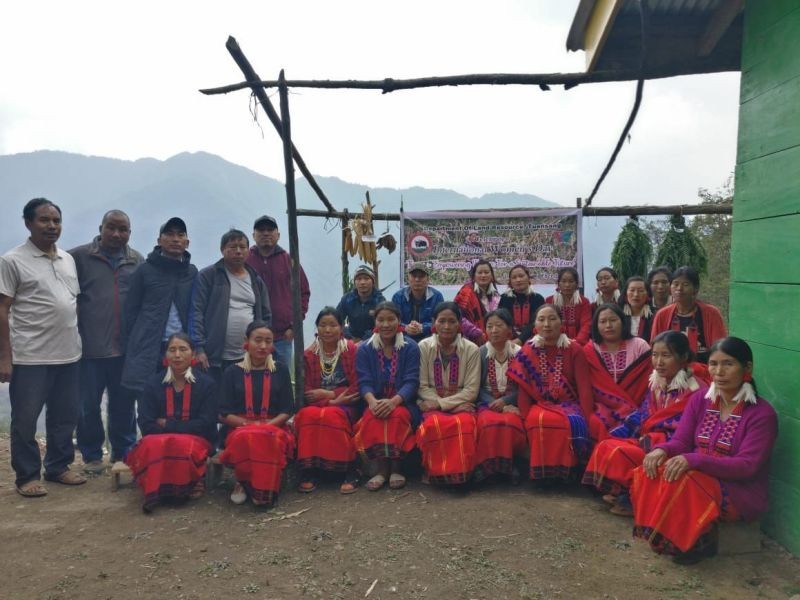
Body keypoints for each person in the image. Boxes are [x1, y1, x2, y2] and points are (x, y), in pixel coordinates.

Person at [631, 337, 778, 564]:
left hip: (739, 491)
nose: (719, 372)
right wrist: (662, 450)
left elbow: (746, 467)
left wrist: (693, 460)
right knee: (653, 466)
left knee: (687, 479)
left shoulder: (761, 414)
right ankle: (664, 534)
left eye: (728, 364)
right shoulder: (701, 399)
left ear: (747, 367)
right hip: (699, 476)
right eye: (713, 364)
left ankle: (690, 544)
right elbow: (680, 441)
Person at [0, 198, 86, 496]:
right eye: (44, 220)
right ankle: (26, 476)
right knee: (25, 419)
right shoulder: (13, 260)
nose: (51, 226)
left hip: (69, 353)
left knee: (64, 415)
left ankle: (58, 467)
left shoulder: (67, 259)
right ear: (28, 223)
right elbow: (3, 310)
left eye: (56, 221)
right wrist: (4, 357)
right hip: (30, 356)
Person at [582, 331, 709, 516]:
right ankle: (624, 491)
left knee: (620, 452)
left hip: (674, 446)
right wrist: (621, 431)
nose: (658, 362)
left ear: (683, 358)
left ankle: (634, 499)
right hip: (651, 438)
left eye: (666, 356)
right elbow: (644, 414)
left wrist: (655, 439)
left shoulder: (695, 390)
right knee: (606, 444)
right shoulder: (657, 382)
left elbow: (686, 432)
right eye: (655, 355)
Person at [70, 209, 144, 472]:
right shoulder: (78, 257)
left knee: (123, 404)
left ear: (129, 233)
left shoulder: (136, 260)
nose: (116, 234)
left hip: (124, 350)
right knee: (87, 405)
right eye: (111, 227)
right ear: (100, 227)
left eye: (122, 229)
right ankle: (91, 455)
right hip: (88, 349)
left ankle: (122, 454)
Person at [126, 333, 218, 513]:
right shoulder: (152, 384)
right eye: (172, 350)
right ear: (165, 356)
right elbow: (145, 423)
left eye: (183, 349)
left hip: (197, 440)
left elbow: (206, 424)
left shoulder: (207, 384)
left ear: (193, 355)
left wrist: (167, 425)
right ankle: (158, 489)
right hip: (159, 439)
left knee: (183, 444)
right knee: (154, 444)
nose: (177, 355)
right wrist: (179, 429)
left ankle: (184, 486)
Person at [507, 304, 594, 482]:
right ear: (535, 326)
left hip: (569, 405)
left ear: (561, 323)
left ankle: (566, 474)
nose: (547, 324)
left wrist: (587, 416)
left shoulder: (574, 349)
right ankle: (543, 475)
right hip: (539, 404)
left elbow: (584, 387)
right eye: (541, 319)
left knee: (571, 423)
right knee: (537, 420)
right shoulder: (528, 350)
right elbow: (524, 389)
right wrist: (523, 417)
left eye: (552, 318)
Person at [218, 321, 294, 507]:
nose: (262, 346)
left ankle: (266, 488)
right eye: (257, 340)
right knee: (246, 437)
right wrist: (248, 425)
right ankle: (243, 481)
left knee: (268, 437)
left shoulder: (280, 370)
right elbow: (223, 413)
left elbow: (287, 409)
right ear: (246, 341)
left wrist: (267, 425)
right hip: (240, 427)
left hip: (274, 426)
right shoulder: (232, 372)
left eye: (268, 341)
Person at [121, 217, 198, 396]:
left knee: (182, 400)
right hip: (150, 347)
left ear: (187, 242)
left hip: (182, 348)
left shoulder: (192, 272)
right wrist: (131, 346)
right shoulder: (144, 271)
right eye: (169, 234)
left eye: (180, 235)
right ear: (159, 241)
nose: (175, 239)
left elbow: (197, 311)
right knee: (149, 401)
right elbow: (130, 312)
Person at [354, 302, 420, 491]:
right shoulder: (365, 349)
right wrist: (372, 402)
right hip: (374, 401)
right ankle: (382, 470)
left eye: (391, 319)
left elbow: (411, 381)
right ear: (375, 322)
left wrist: (394, 402)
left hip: (403, 403)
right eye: (381, 320)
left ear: (399, 321)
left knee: (397, 416)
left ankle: (397, 467)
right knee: (373, 416)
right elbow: (364, 381)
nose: (386, 324)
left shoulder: (410, 347)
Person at [295, 307, 361, 494]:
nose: (328, 330)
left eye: (333, 325)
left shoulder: (351, 350)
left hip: (347, 403)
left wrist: (330, 395)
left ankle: (348, 469)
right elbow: (306, 390)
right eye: (323, 325)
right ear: (317, 328)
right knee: (307, 416)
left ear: (341, 327)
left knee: (332, 417)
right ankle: (310, 470)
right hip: (321, 404)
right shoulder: (309, 355)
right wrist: (330, 400)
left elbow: (357, 385)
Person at [192, 229, 271, 384]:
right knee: (214, 401)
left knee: (243, 400)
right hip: (214, 357)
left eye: (242, 247)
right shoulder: (209, 275)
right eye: (233, 247)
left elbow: (266, 315)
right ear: (222, 250)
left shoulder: (255, 279)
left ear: (248, 251)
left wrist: (263, 345)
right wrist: (199, 348)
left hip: (247, 356)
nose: (238, 251)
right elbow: (196, 312)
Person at [416, 302, 481, 484]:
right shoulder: (423, 346)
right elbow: (421, 386)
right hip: (433, 402)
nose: (446, 326)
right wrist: (444, 404)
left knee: (465, 425)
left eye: (452, 321)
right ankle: (435, 472)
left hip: (456, 404)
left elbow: (471, 390)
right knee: (433, 424)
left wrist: (441, 404)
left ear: (460, 324)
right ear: (433, 323)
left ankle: (461, 474)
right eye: (441, 321)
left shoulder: (471, 349)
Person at [247, 215, 310, 368]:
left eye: (270, 230)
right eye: (261, 230)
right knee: (252, 378)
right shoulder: (246, 260)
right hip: (251, 336)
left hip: (283, 336)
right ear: (254, 235)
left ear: (278, 235)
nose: (266, 233)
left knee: (282, 381)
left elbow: (304, 292)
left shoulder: (289, 260)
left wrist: (294, 325)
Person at [584, 303, 652, 442]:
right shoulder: (590, 350)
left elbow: (649, 381)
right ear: (596, 325)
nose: (608, 325)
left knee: (640, 421)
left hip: (637, 404)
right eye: (602, 321)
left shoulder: (640, 345)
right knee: (597, 422)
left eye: (613, 320)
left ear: (622, 321)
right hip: (601, 406)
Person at [473, 309, 526, 484]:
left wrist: (506, 402)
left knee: (510, 423)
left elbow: (525, 387)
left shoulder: (520, 353)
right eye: (489, 326)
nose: (494, 330)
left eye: (499, 325)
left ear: (509, 329)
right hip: (487, 402)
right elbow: (476, 386)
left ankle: (509, 466)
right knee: (488, 423)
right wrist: (494, 403)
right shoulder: (480, 353)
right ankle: (487, 467)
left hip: (513, 402)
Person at [650, 266, 727, 363]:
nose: (679, 289)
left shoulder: (711, 313)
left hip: (704, 371)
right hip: (670, 371)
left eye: (685, 284)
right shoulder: (662, 314)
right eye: (675, 284)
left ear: (695, 288)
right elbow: (654, 349)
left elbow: (720, 349)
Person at [391, 262, 444, 343]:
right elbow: (392, 320)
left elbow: (441, 321)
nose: (417, 279)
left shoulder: (437, 296)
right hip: (403, 338)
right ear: (408, 279)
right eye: (414, 276)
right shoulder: (398, 297)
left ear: (428, 280)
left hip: (430, 339)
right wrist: (406, 328)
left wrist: (423, 327)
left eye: (421, 276)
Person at [454, 259, 500, 345]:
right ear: (474, 276)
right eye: (480, 273)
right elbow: (456, 315)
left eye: (486, 272)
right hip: (470, 341)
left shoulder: (495, 294)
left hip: (491, 339)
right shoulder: (466, 292)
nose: (483, 275)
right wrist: (476, 333)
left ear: (492, 275)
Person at [498, 264, 545, 346]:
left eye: (521, 276)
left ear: (528, 278)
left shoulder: (538, 298)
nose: (518, 280)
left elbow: (536, 322)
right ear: (510, 282)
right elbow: (502, 321)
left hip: (534, 342)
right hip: (509, 342)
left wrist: (521, 339)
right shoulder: (503, 298)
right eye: (514, 277)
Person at [336, 264, 385, 342]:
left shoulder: (379, 301)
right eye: (359, 279)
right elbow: (337, 319)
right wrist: (348, 336)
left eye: (366, 278)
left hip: (373, 340)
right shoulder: (347, 299)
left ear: (373, 282)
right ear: (354, 282)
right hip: (350, 339)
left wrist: (364, 340)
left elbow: (381, 325)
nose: (362, 282)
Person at [545, 267, 592, 345]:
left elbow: (586, 325)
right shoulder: (550, 301)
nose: (567, 285)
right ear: (558, 283)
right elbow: (546, 324)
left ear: (576, 284)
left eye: (571, 281)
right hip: (554, 343)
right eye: (563, 281)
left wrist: (577, 343)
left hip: (579, 344)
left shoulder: (583, 302)